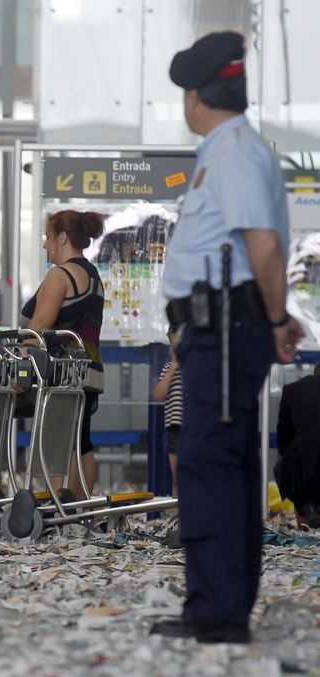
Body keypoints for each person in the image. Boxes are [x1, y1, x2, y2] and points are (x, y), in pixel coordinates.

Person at [150, 32, 304, 644]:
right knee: (227, 462)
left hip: (228, 329)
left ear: (196, 95)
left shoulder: (234, 149)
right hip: (223, 327)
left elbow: (263, 244)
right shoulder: (233, 146)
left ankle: (215, 612)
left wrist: (272, 321)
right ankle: (223, 604)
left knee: (210, 463)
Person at [20, 208, 106, 500]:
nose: (45, 244)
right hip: (90, 369)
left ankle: (58, 503)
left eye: (48, 237)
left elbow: (39, 327)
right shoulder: (92, 276)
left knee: (57, 440)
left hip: (61, 372)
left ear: (63, 237)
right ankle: (79, 507)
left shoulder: (60, 275)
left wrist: (18, 365)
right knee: (81, 441)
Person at [275, 363, 320, 528]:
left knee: (289, 463)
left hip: (304, 471)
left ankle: (305, 510)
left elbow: (283, 439)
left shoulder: (293, 390)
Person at [152, 324, 183, 498]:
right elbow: (158, 395)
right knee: (177, 475)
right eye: (173, 347)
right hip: (175, 428)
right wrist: (173, 369)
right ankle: (177, 514)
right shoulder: (169, 369)